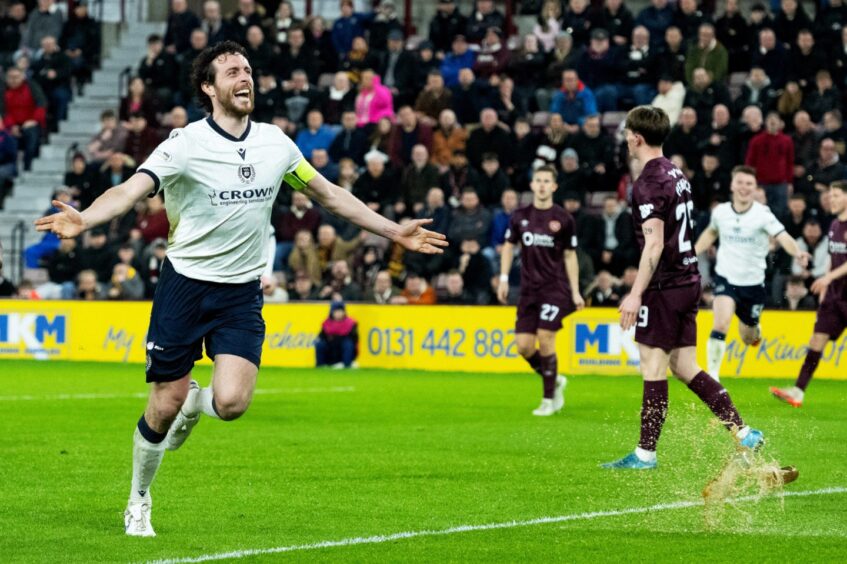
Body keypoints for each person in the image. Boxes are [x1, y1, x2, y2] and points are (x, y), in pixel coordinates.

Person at [34, 40, 447, 538]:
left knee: (230, 403)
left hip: (240, 293)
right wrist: (86, 218)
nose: (244, 77)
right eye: (231, 71)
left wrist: (393, 230)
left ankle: (196, 403)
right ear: (209, 88)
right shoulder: (184, 144)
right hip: (184, 286)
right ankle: (139, 499)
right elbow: (130, 190)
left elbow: (330, 196)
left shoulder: (276, 144)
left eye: (247, 69)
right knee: (162, 406)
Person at [602, 106, 764, 470]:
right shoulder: (677, 173)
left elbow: (654, 244)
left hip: (665, 285)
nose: (626, 137)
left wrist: (635, 293)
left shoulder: (648, 182)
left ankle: (645, 454)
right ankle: (742, 430)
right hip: (690, 279)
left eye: (628, 132)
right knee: (685, 364)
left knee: (652, 364)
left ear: (636, 137)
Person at [694, 165, 810, 382]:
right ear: (732, 184)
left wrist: (798, 253)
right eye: (740, 182)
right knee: (720, 324)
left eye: (749, 184)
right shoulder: (721, 212)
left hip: (753, 284)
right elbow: (711, 232)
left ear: (755, 187)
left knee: (748, 337)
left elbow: (783, 236)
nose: (744, 187)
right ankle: (713, 377)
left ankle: (755, 327)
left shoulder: (762, 215)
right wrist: (692, 253)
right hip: (726, 278)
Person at [497, 165, 584, 416]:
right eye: (539, 180)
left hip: (555, 289)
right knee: (523, 346)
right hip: (528, 290)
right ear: (533, 185)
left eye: (547, 180)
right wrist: (503, 279)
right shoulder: (520, 216)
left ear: (554, 186)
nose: (543, 184)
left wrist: (575, 291)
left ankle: (549, 399)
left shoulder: (564, 219)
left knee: (546, 336)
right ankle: (554, 379)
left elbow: (570, 256)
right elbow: (507, 247)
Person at [771, 181, 847, 407]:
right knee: (817, 339)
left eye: (836, 195)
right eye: (830, 195)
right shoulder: (834, 225)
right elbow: (834, 258)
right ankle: (798, 391)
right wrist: (825, 283)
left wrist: (828, 278)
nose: (831, 199)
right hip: (834, 296)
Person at [315, 300, 359, 368]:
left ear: (344, 312)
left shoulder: (351, 323)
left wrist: (338, 338)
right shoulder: (326, 323)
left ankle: (347, 364)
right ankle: (320, 365)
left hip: (343, 347)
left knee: (348, 344)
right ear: (332, 312)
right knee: (320, 344)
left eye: (340, 311)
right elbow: (321, 336)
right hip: (331, 348)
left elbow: (354, 339)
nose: (338, 313)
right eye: (336, 311)